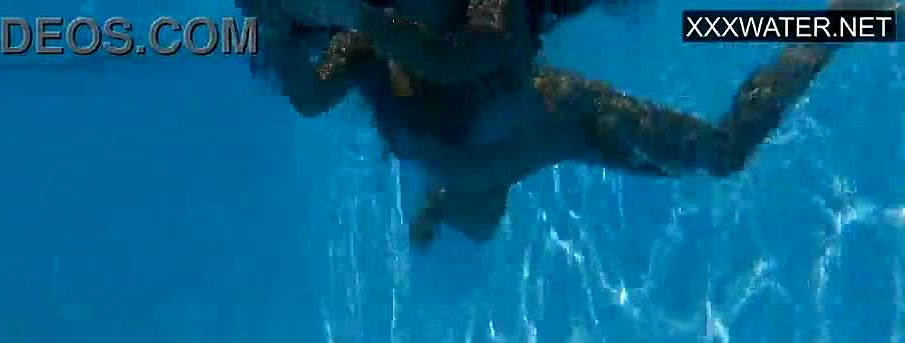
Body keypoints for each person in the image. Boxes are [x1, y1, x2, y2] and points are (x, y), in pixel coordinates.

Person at [243, 0, 895, 248]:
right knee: (474, 216)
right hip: (469, 163)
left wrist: (360, 18)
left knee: (723, 152)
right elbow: (309, 97)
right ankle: (450, 202)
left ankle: (830, 29)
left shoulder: (433, 19)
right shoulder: (361, 45)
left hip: (555, 123)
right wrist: (271, 25)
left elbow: (475, 53)